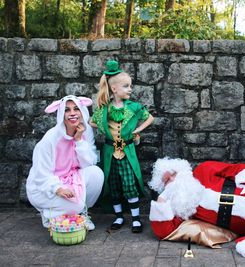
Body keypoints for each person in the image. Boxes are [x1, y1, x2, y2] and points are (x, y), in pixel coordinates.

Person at [91, 60, 154, 233]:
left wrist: (137, 129)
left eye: (130, 86)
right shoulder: (104, 109)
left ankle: (135, 219)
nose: (130, 89)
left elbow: (149, 118)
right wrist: (105, 129)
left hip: (127, 152)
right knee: (114, 185)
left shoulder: (134, 107)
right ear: (114, 89)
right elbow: (92, 122)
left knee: (129, 184)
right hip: (110, 153)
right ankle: (118, 217)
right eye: (126, 86)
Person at [26, 95, 104, 231]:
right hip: (44, 187)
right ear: (62, 114)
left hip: (70, 178)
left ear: (82, 111)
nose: (72, 113)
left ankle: (82, 213)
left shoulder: (85, 132)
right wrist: (58, 188)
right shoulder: (49, 140)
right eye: (67, 110)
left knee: (96, 173)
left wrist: (79, 141)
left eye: (76, 109)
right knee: (76, 204)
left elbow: (89, 163)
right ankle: (48, 214)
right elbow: (41, 175)